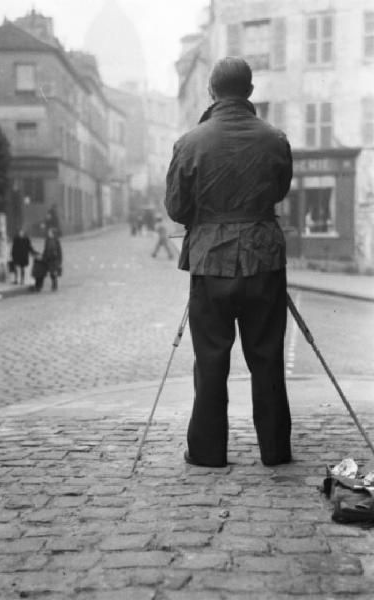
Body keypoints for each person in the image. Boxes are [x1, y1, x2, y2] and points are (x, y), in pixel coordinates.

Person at [165, 57, 293, 468]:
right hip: (263, 259)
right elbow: (278, 191)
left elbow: (176, 207)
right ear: (250, 91)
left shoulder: (189, 143)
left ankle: (206, 452)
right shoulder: (275, 139)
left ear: (211, 92)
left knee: (211, 360)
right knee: (268, 357)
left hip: (211, 261)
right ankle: (274, 451)